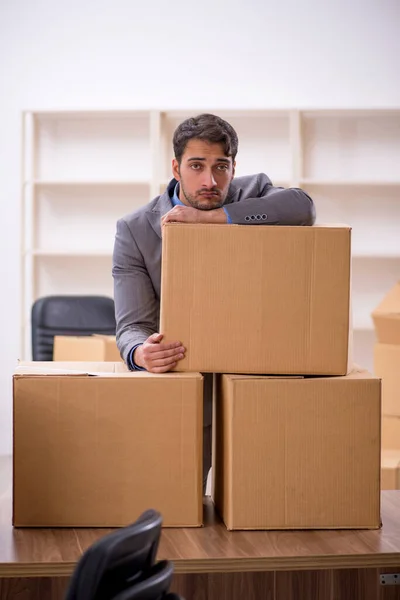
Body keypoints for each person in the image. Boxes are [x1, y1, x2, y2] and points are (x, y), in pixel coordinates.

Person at [112, 113, 316, 491]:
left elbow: (303, 207)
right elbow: (131, 325)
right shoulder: (136, 230)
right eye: (196, 166)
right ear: (176, 168)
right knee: (180, 500)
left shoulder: (251, 191)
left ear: (233, 167)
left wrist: (217, 218)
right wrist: (140, 352)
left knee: (264, 500)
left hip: (261, 380)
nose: (210, 181)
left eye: (221, 167)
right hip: (188, 384)